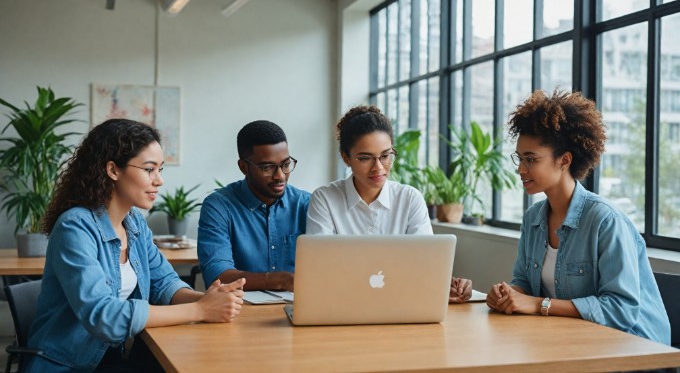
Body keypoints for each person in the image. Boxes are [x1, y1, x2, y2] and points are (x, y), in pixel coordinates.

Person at [25, 119, 245, 372]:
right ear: (113, 170)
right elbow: (104, 316)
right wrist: (199, 310)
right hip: (67, 365)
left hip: (110, 357)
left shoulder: (134, 224)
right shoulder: (75, 227)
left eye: (161, 169)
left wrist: (212, 299)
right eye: (149, 170)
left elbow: (164, 284)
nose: (159, 180)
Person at [486, 89, 670, 344]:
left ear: (564, 161)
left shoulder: (605, 221)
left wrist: (540, 304)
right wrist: (507, 294)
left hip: (634, 348)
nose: (520, 168)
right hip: (575, 341)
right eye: (519, 158)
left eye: (531, 159)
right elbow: (524, 283)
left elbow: (621, 310)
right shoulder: (533, 218)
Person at [306, 105, 472, 303]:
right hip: (343, 302)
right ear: (346, 158)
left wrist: (445, 286)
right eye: (365, 158)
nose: (378, 167)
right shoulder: (325, 199)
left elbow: (424, 265)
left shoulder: (410, 199)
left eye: (385, 156)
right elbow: (324, 270)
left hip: (402, 302)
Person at [198, 120, 310, 292]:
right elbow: (218, 276)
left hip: (301, 309)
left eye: (286, 165)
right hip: (238, 312)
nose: (280, 176)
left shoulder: (307, 204)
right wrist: (280, 281)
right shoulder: (219, 206)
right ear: (243, 167)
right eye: (267, 167)